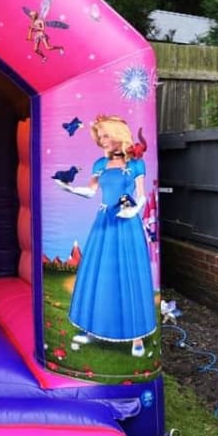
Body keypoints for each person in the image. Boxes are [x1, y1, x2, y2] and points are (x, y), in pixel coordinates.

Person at [55, 115, 156, 357]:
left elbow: (141, 195)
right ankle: (92, 328)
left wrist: (133, 210)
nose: (102, 140)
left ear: (118, 135)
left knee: (128, 276)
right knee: (99, 275)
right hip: (103, 223)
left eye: (106, 135)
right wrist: (70, 189)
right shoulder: (100, 164)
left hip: (126, 224)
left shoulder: (136, 164)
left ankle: (136, 337)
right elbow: (91, 191)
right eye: (100, 137)